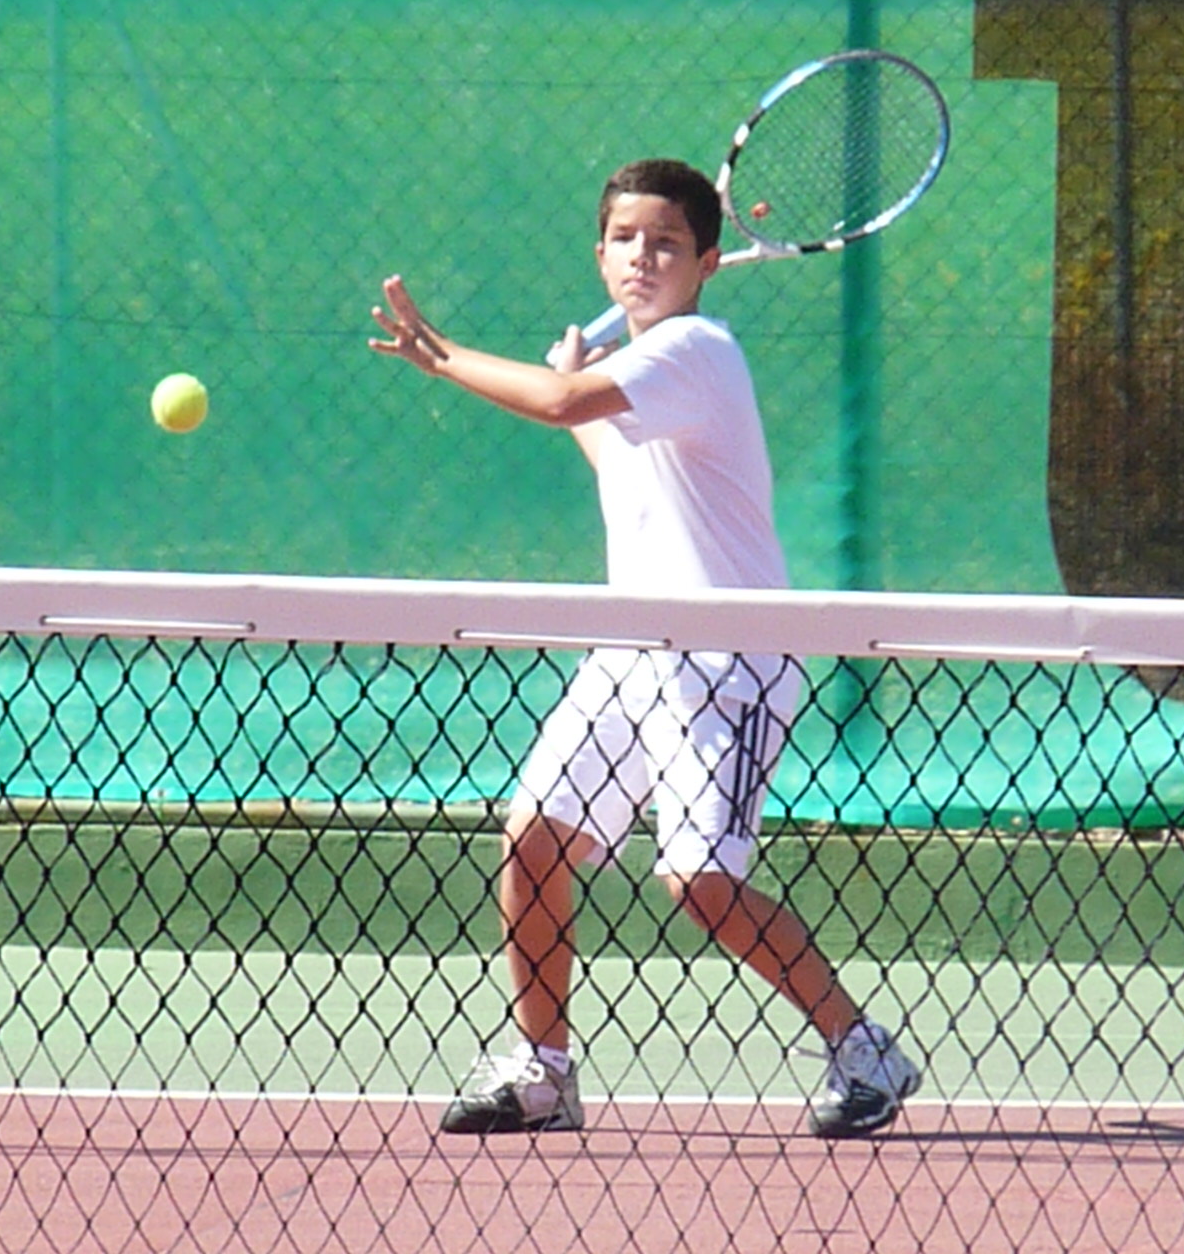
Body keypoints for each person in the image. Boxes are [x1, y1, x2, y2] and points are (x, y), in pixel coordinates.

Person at [368, 157, 919, 1139]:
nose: (642, 257)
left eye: (666, 243)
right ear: (600, 255)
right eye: (625, 239)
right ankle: (541, 1071)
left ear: (707, 262)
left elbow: (558, 406)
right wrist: (577, 385)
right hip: (630, 655)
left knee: (700, 883)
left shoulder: (697, 350)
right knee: (533, 839)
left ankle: (862, 1046)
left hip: (728, 663)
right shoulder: (644, 376)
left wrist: (450, 357)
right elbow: (601, 445)